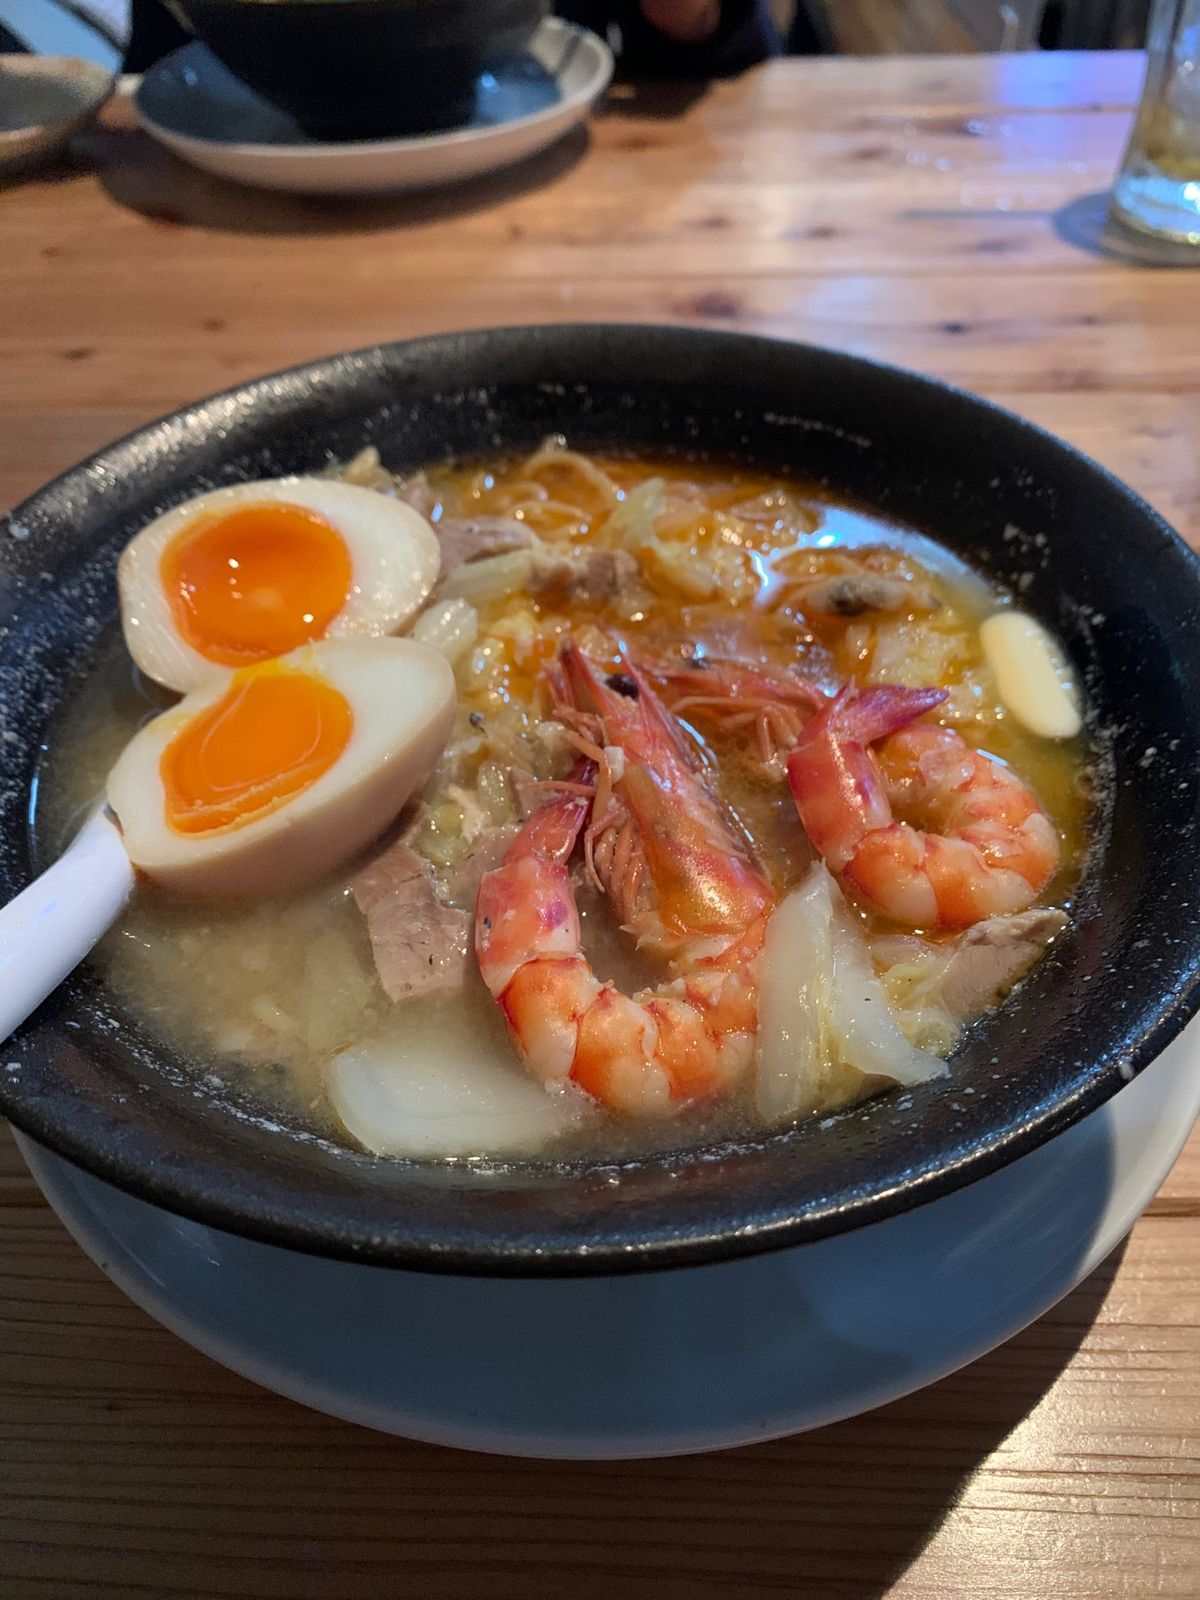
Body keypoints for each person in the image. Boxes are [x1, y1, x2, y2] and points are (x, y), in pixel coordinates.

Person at [125, 0, 790, 78]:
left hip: (546, 201)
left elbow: (719, 46)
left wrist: (688, 18)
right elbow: (167, 69)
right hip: (250, 211)